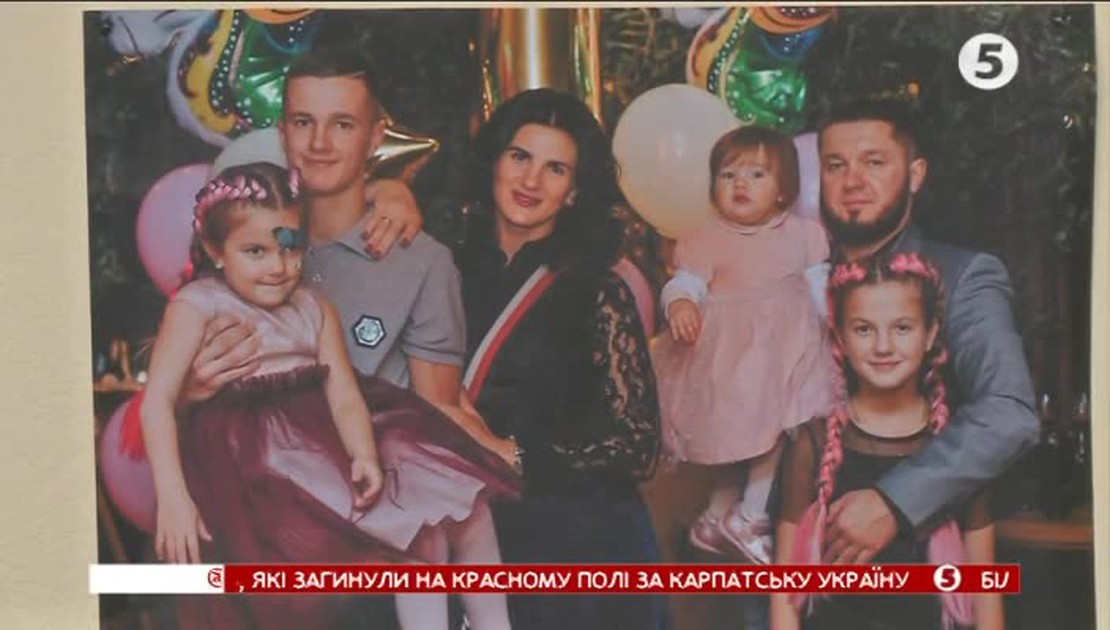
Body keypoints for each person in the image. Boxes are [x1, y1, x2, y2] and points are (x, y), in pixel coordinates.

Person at [179, 45, 520, 629]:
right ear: (282, 132)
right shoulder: (240, 242)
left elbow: (434, 417)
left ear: (375, 135)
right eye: (303, 122)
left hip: (367, 557)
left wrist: (506, 453)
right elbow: (180, 396)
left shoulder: (421, 262)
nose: (319, 142)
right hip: (252, 532)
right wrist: (190, 390)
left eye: (342, 124)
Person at [450, 88, 670, 630]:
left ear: (574, 191)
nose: (531, 180)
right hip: (466, 529)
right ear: (495, 160)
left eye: (555, 169)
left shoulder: (596, 288)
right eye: (520, 156)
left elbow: (638, 446)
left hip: (578, 545)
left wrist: (515, 453)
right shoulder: (444, 266)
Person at [812, 99, 1040, 564]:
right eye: (836, 165)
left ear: (915, 175)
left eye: (874, 162)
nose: (853, 181)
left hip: (922, 563)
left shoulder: (963, 276)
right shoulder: (801, 281)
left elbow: (1009, 413)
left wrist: (894, 501)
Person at [770, 251, 1004, 630]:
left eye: (902, 328)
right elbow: (785, 593)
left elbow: (985, 592)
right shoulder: (811, 443)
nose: (883, 346)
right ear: (840, 338)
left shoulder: (960, 448)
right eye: (864, 329)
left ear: (930, 334)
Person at [651, 125, 834, 564]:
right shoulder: (706, 238)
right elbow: (686, 282)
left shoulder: (804, 234)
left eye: (756, 175)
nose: (740, 184)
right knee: (738, 439)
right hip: (733, 358)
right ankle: (727, 515)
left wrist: (834, 323)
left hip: (789, 352)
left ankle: (742, 514)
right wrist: (680, 304)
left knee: (775, 431)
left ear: (783, 189)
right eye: (728, 175)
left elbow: (819, 289)